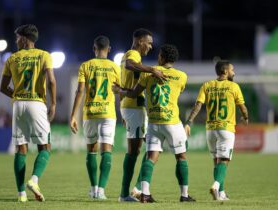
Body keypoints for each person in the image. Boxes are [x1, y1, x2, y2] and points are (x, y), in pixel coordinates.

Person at [114, 44, 196, 203]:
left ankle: (145, 193)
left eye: (159, 55)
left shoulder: (148, 74)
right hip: (172, 122)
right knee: (181, 157)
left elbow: (133, 93)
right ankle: (184, 195)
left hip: (153, 122)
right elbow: (177, 91)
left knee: (150, 158)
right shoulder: (182, 76)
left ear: (162, 57)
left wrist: (120, 91)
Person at [0, 24, 56, 202]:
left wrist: (16, 95)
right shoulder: (44, 55)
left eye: (17, 37)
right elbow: (52, 81)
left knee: (20, 149)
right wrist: (53, 104)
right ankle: (34, 180)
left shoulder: (12, 58)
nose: (16, 41)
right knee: (45, 147)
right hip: (37, 103)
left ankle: (21, 194)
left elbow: (2, 87)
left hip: (18, 105)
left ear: (24, 38)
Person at [185, 59, 249, 201]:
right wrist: (245, 118)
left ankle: (221, 193)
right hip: (225, 129)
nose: (234, 72)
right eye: (232, 70)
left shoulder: (207, 85)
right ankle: (215, 186)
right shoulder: (234, 87)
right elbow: (242, 107)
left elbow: (198, 105)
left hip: (210, 130)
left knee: (216, 162)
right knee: (224, 162)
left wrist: (189, 121)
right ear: (225, 71)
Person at [118, 28, 167, 202]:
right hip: (134, 107)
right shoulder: (132, 54)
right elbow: (129, 65)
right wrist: (152, 70)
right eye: (149, 43)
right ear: (140, 41)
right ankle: (125, 193)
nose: (151, 46)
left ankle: (136, 188)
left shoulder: (132, 56)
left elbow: (126, 80)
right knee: (136, 150)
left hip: (133, 107)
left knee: (151, 146)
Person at [70, 35, 120, 200]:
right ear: (109, 49)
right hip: (108, 114)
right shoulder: (115, 67)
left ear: (94, 48)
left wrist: (73, 116)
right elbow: (121, 90)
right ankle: (101, 190)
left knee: (91, 151)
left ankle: (93, 189)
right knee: (107, 151)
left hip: (90, 113)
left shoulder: (86, 65)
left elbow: (79, 91)